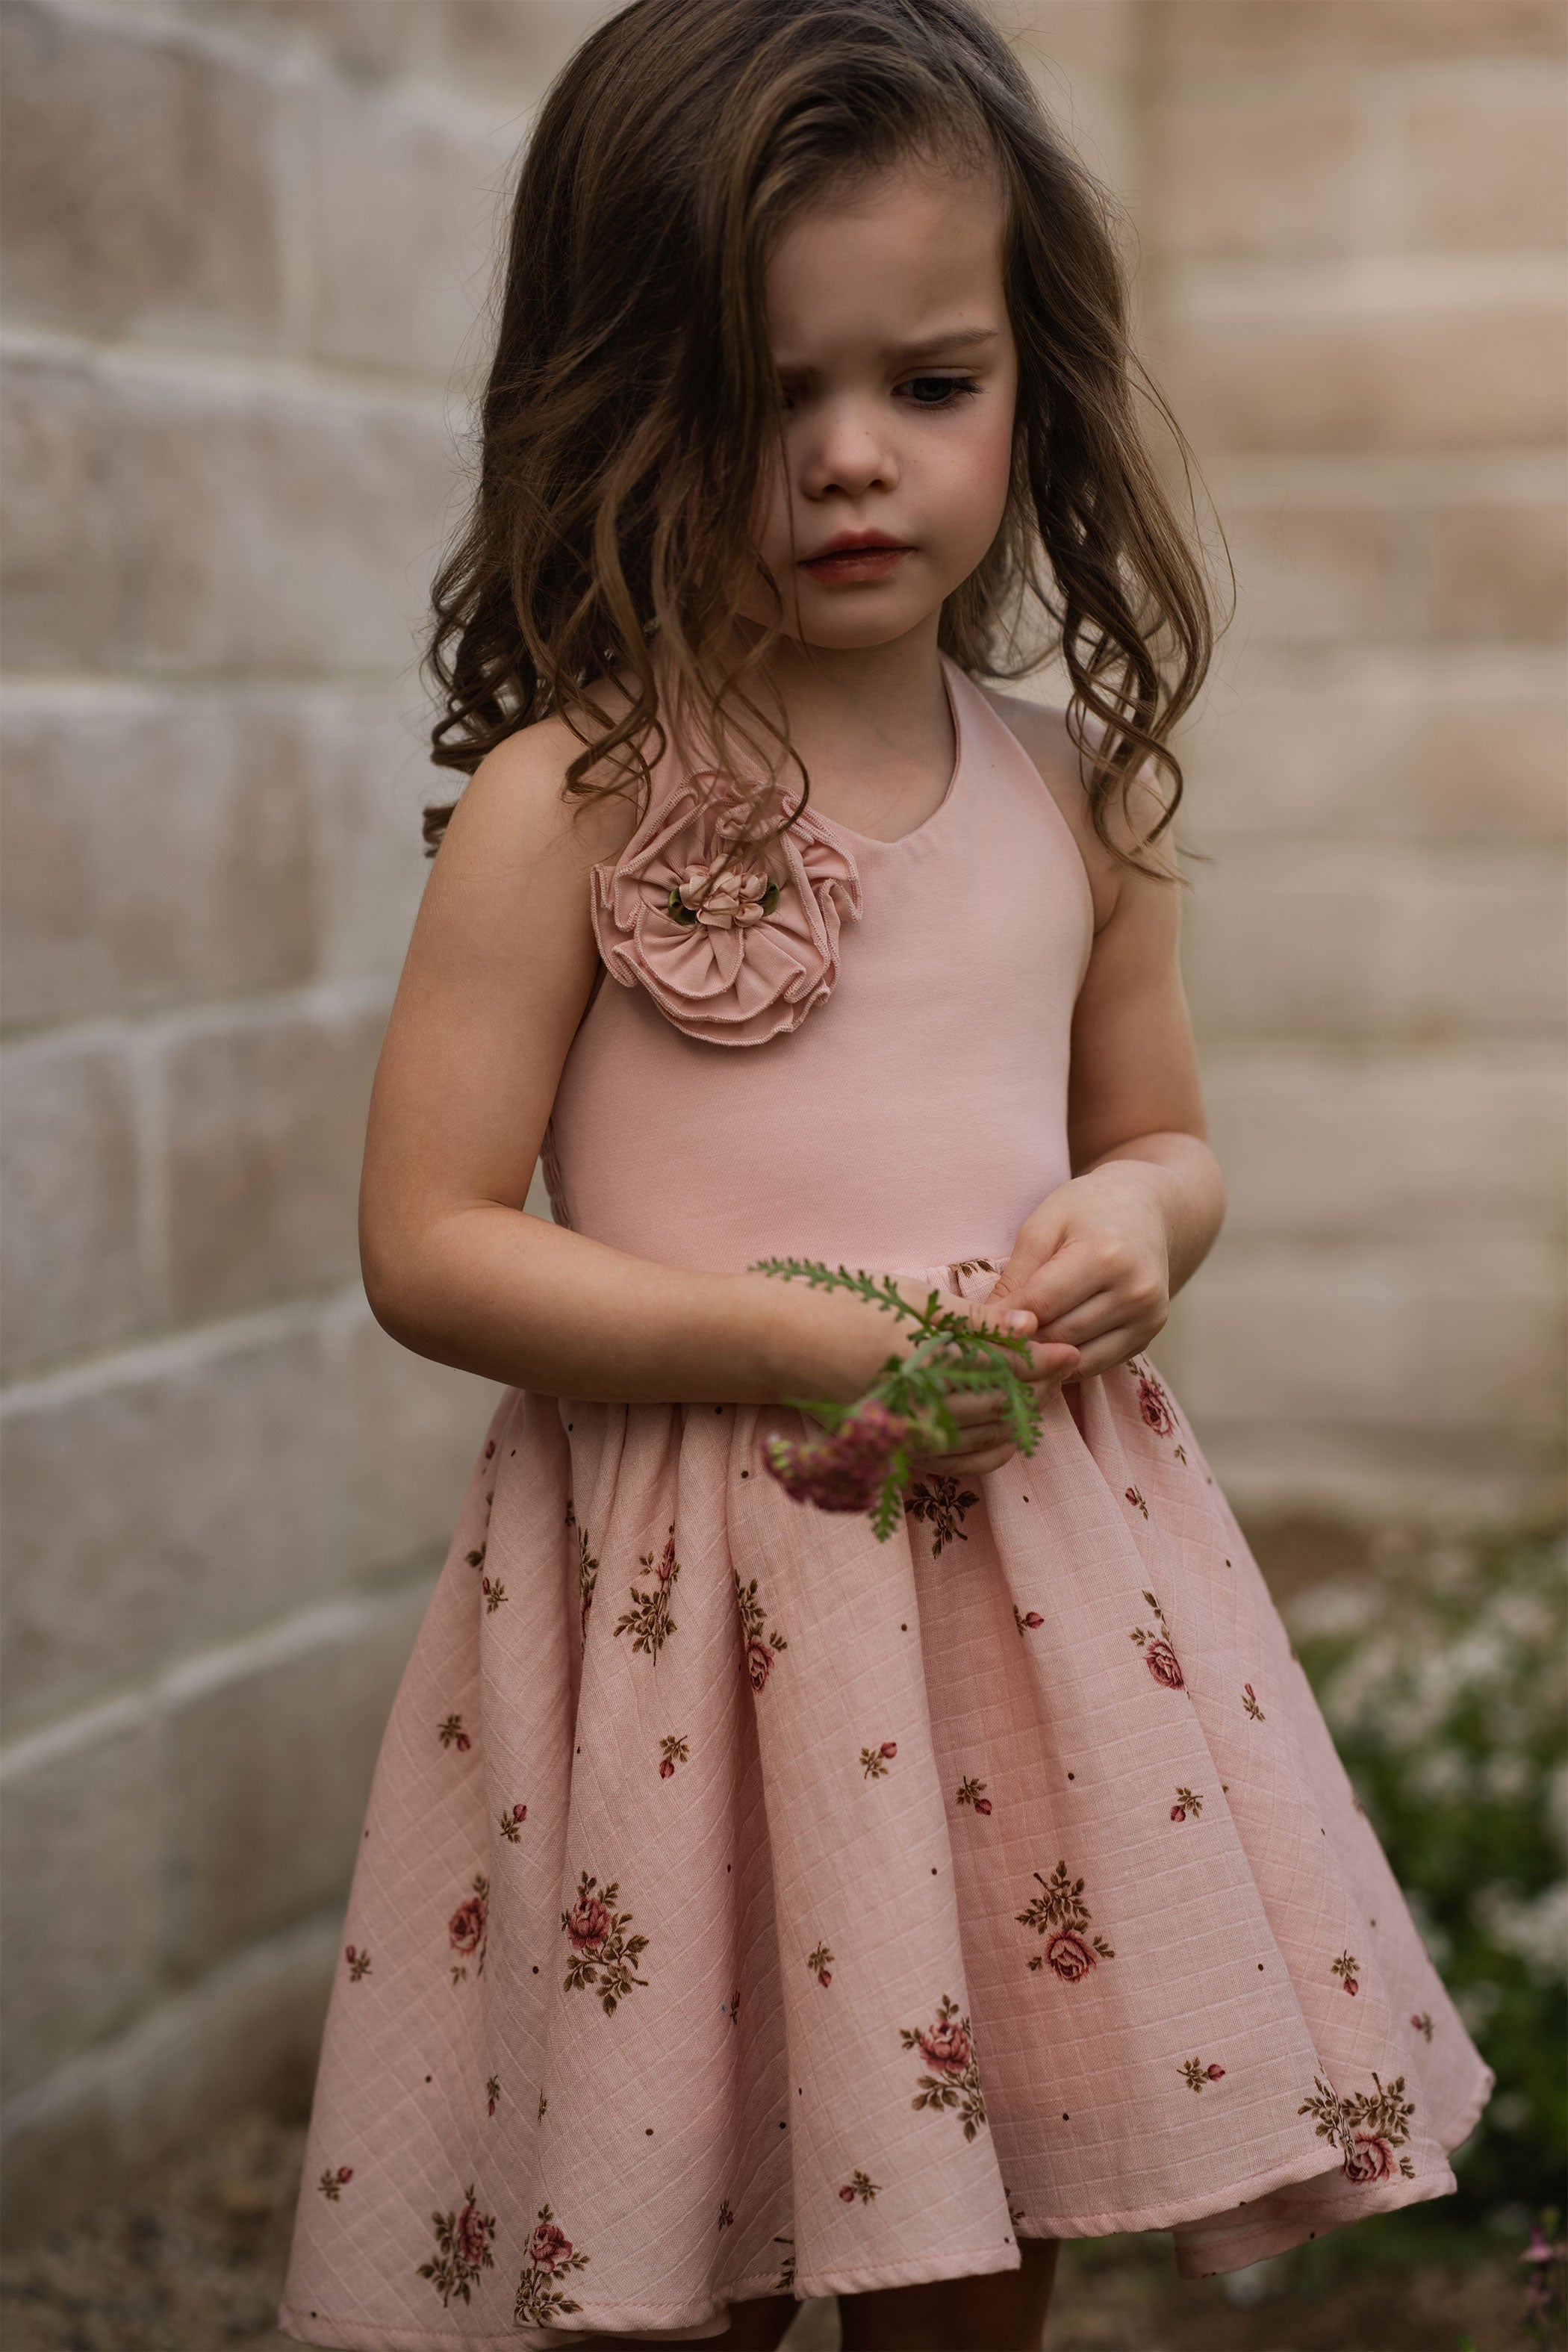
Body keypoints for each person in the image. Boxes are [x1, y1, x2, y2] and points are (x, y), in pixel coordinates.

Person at [279, 4, 1490, 2346]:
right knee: (680, 2181)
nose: (849, 462)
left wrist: (1138, 1225)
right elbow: (424, 1244)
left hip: (1012, 1598)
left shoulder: (1075, 792)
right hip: (687, 1616)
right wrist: (778, 1331)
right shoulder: (578, 795)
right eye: (761, 396)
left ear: (1027, 382)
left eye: (926, 385)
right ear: (624, 396)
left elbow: (1161, 1135)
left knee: (983, 2166)